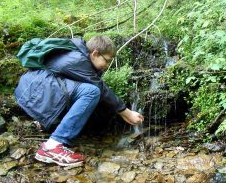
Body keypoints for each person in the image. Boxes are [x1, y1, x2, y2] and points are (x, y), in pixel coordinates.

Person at [14, 36, 144, 167]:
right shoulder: (77, 60)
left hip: (37, 91)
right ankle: (52, 146)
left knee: (89, 92)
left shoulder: (78, 54)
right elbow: (101, 88)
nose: (107, 65)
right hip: (36, 93)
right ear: (95, 53)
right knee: (91, 92)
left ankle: (49, 125)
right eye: (107, 61)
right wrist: (126, 112)